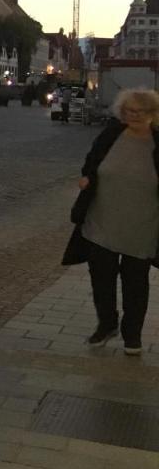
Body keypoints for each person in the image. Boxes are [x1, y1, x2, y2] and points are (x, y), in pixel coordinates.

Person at [68, 89, 159, 356]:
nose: (132, 116)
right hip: (103, 218)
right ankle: (107, 324)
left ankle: (132, 335)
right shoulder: (111, 134)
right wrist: (87, 178)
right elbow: (92, 162)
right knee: (101, 276)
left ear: (152, 114)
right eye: (128, 111)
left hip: (142, 223)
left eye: (139, 112)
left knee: (136, 281)